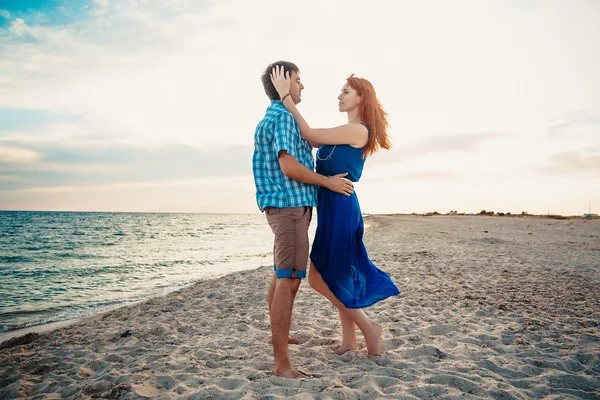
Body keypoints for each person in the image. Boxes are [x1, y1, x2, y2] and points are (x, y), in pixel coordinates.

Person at [270, 66, 400, 356]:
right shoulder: (344, 130)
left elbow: (308, 132)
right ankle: (350, 341)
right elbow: (312, 140)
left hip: (341, 206)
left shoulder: (358, 130)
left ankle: (369, 328)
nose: (339, 96)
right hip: (329, 205)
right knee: (338, 274)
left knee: (318, 278)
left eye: (345, 92)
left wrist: (284, 96)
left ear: (361, 99)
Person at [252, 61, 354, 378]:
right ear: (284, 82)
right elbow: (290, 168)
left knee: (281, 274)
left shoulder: (280, 114)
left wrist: (286, 98)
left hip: (285, 206)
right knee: (290, 278)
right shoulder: (282, 117)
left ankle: (279, 336)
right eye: (298, 80)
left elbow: (312, 139)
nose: (302, 85)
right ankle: (282, 364)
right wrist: (329, 183)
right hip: (290, 206)